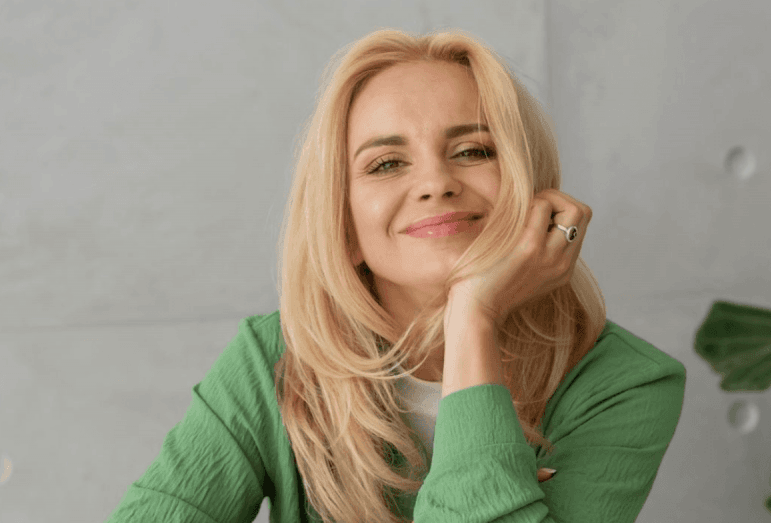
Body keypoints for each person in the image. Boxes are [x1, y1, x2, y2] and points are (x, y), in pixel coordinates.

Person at [106, 27, 686, 523]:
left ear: (531, 188)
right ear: (344, 225)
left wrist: (474, 316)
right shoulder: (273, 361)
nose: (436, 183)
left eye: (473, 151)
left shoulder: (624, 383)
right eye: (386, 163)